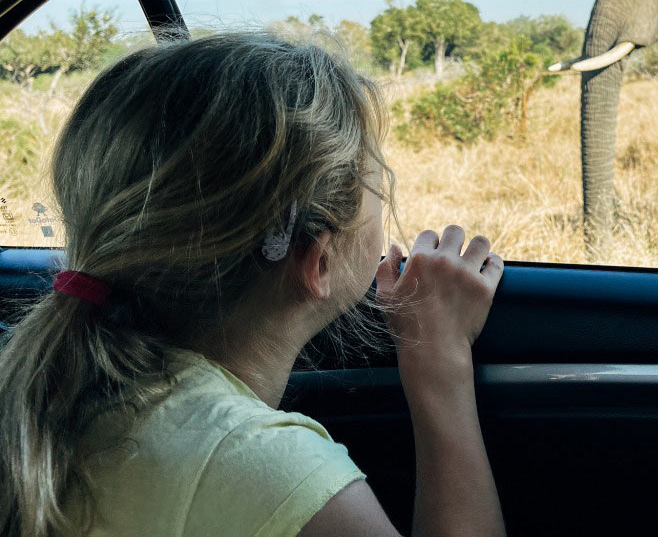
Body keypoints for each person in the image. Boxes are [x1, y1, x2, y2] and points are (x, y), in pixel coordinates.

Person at [0, 32, 505, 537]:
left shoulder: (41, 392)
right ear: (319, 259)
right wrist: (440, 363)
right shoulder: (263, 470)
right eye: (377, 189)